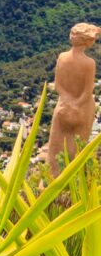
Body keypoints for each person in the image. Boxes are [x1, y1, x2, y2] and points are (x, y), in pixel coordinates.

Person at [47, 22, 101, 175]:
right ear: (87, 41)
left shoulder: (62, 57)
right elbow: (87, 90)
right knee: (78, 148)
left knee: (55, 149)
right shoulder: (89, 63)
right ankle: (74, 186)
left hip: (63, 106)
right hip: (83, 108)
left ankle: (50, 183)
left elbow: (58, 85)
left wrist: (67, 102)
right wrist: (76, 104)